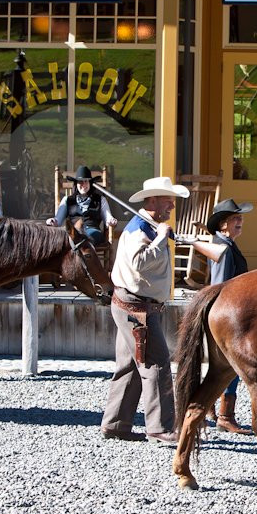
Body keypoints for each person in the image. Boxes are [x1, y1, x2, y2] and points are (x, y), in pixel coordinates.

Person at [101, 176, 190, 444]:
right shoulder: (140, 229)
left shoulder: (147, 226)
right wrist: (161, 239)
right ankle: (161, 428)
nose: (172, 206)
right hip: (137, 308)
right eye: (168, 200)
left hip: (134, 305)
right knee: (156, 363)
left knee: (129, 367)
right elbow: (140, 263)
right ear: (152, 200)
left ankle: (115, 424)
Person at [205, 198, 254, 434]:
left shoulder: (225, 244)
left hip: (229, 314)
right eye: (235, 219)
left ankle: (213, 410)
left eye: (240, 218)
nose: (240, 222)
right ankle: (225, 415)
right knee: (232, 365)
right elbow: (221, 285)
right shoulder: (223, 248)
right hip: (229, 316)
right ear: (223, 224)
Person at [46, 166, 118, 244]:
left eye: (86, 181)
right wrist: (52, 221)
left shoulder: (100, 200)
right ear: (76, 184)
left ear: (90, 183)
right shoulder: (68, 200)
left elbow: (108, 218)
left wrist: (111, 221)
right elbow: (58, 221)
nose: (83, 184)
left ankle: (82, 253)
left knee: (87, 237)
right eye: (80, 181)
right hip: (74, 233)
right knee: (67, 239)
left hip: (93, 232)